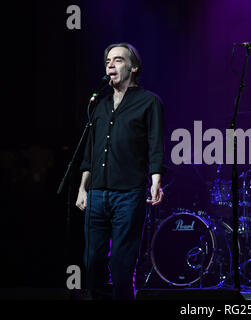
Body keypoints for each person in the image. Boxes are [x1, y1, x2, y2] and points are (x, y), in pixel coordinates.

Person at [75, 43, 165, 299]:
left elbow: (155, 144)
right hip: (96, 194)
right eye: (107, 61)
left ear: (134, 67)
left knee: (122, 265)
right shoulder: (99, 105)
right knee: (92, 261)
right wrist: (83, 187)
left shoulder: (149, 102)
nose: (110, 65)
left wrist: (155, 180)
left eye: (118, 60)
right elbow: (90, 151)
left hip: (128, 193)